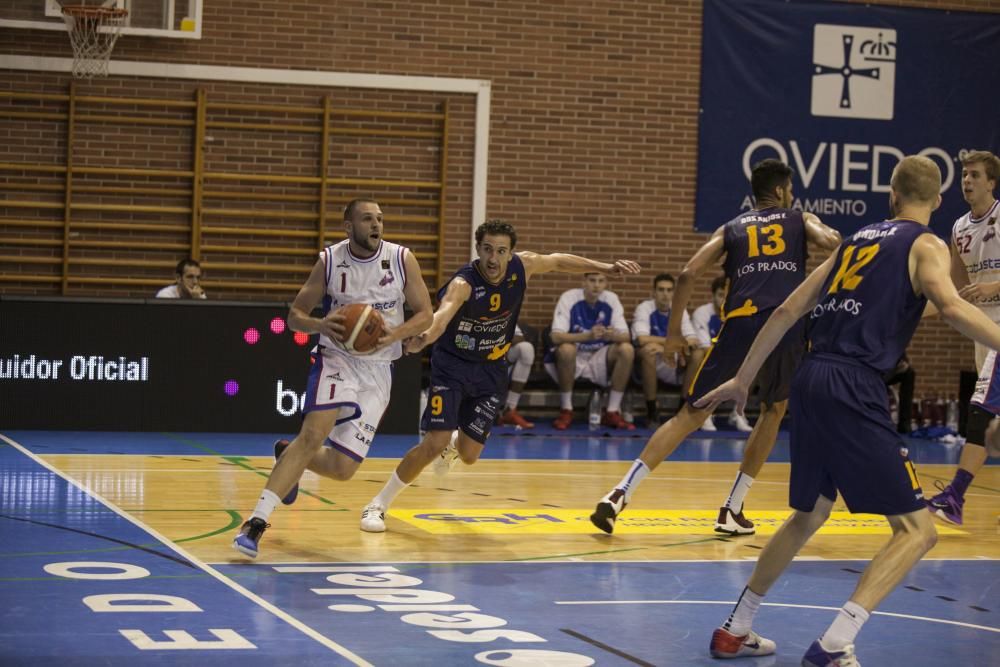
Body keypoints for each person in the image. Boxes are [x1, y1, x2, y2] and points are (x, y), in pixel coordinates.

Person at [699, 155, 1000, 665]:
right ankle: (834, 645)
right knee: (917, 531)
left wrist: (743, 377)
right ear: (938, 200)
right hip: (853, 384)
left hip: (812, 376)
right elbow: (950, 307)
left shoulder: (857, 240)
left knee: (808, 514)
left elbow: (791, 308)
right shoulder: (926, 244)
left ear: (892, 194)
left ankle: (734, 629)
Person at [589, 159, 841, 536]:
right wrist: (820, 230)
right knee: (773, 411)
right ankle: (732, 508)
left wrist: (674, 333)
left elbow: (688, 273)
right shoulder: (797, 218)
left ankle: (619, 492)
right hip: (783, 324)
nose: (792, 197)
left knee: (691, 413)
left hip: (739, 322)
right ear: (781, 192)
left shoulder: (731, 228)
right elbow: (832, 243)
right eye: (790, 191)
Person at [359, 218, 640, 532]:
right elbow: (442, 316)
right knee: (433, 443)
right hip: (452, 368)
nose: (493, 258)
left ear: (511, 253)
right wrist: (425, 337)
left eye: (501, 251)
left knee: (469, 456)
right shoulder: (463, 283)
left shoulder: (524, 266)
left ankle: (456, 440)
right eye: (487, 250)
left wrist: (607, 266)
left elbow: (560, 261)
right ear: (478, 249)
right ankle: (378, 505)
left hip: (491, 370)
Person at [232, 198, 433, 558]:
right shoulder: (330, 261)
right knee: (312, 435)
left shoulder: (402, 259)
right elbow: (295, 316)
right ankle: (256, 522)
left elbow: (426, 315)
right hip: (335, 357)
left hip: (378, 370)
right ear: (348, 226)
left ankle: (287, 454)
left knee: (342, 470)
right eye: (368, 219)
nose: (376, 225)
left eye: (380, 219)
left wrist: (396, 333)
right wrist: (321, 325)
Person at [927, 149, 1000, 525]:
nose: (967, 181)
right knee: (992, 418)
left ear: (992, 181)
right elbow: (951, 288)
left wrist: (993, 287)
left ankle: (954, 498)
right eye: (964, 175)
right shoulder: (958, 228)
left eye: (975, 175)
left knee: (982, 411)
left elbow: (983, 287)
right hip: (980, 332)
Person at [545, 273, 637, 430]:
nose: (596, 285)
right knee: (566, 349)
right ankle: (566, 409)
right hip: (575, 355)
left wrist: (612, 335)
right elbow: (555, 336)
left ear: (606, 283)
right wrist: (587, 336)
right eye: (592, 280)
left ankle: (612, 411)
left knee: (627, 350)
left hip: (600, 356)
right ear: (584, 282)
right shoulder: (569, 298)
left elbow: (627, 336)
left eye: (601, 281)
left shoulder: (611, 299)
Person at [632, 273, 699, 426]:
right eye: (661, 290)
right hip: (653, 360)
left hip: (674, 358)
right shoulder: (645, 308)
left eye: (669, 290)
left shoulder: (679, 309)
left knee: (697, 354)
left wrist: (666, 346)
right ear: (654, 292)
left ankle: (683, 409)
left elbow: (693, 340)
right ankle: (652, 410)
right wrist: (673, 344)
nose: (665, 294)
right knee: (648, 350)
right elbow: (642, 339)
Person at [691, 275, 752, 432]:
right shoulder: (702, 313)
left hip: (734, 361)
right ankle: (705, 413)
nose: (724, 300)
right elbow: (705, 346)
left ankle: (737, 413)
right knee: (702, 357)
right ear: (713, 295)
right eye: (720, 295)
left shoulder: (741, 314)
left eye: (727, 296)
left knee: (753, 361)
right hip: (711, 360)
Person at [497, 323, 536, 429]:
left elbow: (519, 337)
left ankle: (509, 409)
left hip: (497, 352)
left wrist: (497, 341)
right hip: (471, 354)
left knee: (526, 349)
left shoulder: (504, 309)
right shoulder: (467, 309)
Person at [884, 353, 915, 434]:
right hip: (868, 370)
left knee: (909, 372)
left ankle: (904, 423)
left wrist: (902, 362)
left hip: (885, 370)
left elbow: (897, 351)